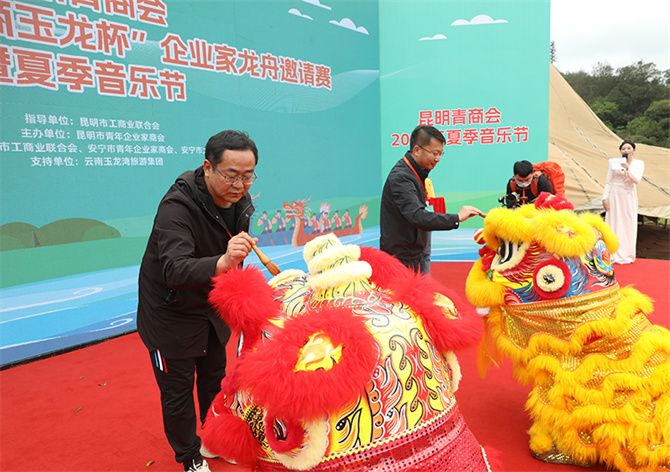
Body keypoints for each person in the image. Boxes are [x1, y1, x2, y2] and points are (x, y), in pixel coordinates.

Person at [137, 130, 259, 472]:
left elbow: (232, 261)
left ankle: (214, 440)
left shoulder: (241, 202)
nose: (240, 185)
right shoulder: (176, 208)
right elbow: (174, 268)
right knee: (177, 391)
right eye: (231, 175)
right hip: (169, 313)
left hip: (210, 306)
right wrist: (223, 261)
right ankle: (189, 455)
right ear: (207, 167)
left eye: (248, 175)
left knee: (214, 379)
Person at [380, 125, 484, 273]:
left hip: (416, 253)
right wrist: (457, 217)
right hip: (402, 260)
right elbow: (417, 216)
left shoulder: (416, 172)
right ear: (417, 150)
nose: (438, 159)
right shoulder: (401, 177)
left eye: (441, 154)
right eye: (435, 153)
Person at [602, 140, 645, 264]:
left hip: (628, 195)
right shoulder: (613, 162)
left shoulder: (639, 163)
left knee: (628, 223)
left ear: (633, 150)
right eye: (623, 148)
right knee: (614, 222)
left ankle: (626, 253)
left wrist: (628, 168)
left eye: (628, 148)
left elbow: (636, 180)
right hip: (615, 194)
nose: (626, 150)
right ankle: (612, 252)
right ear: (620, 151)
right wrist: (605, 198)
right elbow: (608, 181)